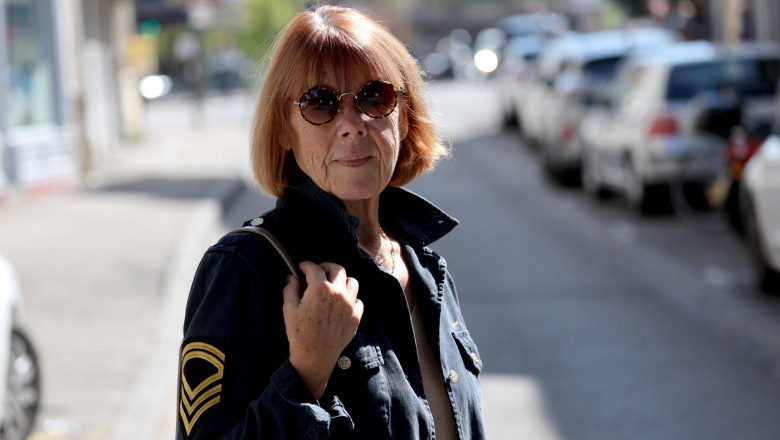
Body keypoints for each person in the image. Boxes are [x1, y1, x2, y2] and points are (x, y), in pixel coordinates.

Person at [177, 5, 485, 439]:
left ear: (404, 111)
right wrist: (306, 371)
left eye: (375, 97)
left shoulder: (425, 267)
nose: (353, 125)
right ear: (284, 128)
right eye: (319, 103)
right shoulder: (247, 269)